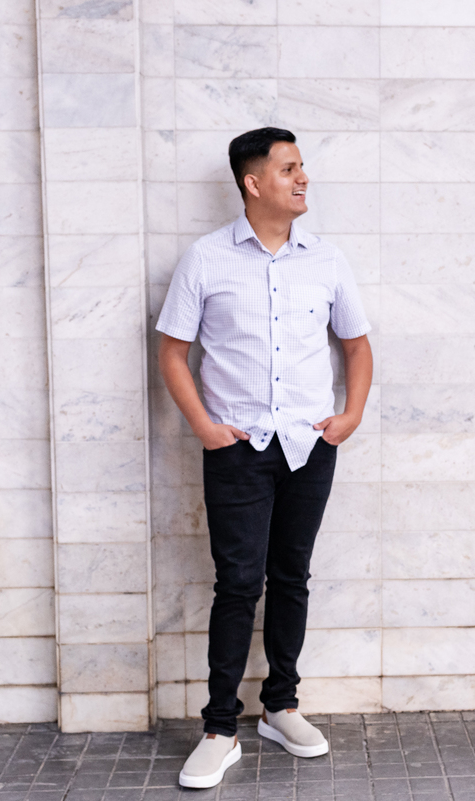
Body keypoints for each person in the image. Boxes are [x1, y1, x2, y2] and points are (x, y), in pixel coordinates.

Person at [156, 127, 373, 789]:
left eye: (302, 166)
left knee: (292, 575)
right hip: (237, 448)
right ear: (253, 183)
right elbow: (172, 351)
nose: (302, 178)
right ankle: (220, 728)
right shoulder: (205, 259)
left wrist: (350, 415)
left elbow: (358, 346)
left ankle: (280, 706)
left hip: (309, 446)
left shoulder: (327, 260)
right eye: (288, 169)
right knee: (237, 582)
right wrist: (204, 426)